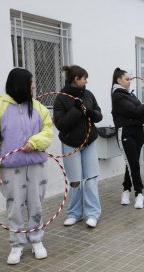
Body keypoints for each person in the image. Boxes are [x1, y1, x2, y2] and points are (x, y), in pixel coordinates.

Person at [0, 68, 53, 264]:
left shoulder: (38, 108)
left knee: (36, 203)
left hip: (35, 165)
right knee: (15, 207)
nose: (33, 86)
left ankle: (36, 240)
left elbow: (48, 131)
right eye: (30, 82)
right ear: (20, 84)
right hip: (10, 167)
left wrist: (34, 142)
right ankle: (16, 245)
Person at [53, 65, 103, 228]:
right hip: (70, 143)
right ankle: (75, 214)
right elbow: (61, 124)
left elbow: (99, 115)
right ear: (76, 79)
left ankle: (92, 213)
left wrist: (90, 113)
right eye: (84, 78)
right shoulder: (61, 98)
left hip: (89, 141)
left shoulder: (88, 94)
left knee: (90, 179)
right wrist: (75, 110)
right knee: (75, 181)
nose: (87, 81)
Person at [111, 68, 144, 209]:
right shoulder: (117, 95)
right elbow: (135, 111)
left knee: (131, 162)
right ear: (119, 80)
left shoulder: (129, 94)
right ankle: (139, 193)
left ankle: (125, 190)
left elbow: (137, 114)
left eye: (130, 79)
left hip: (137, 133)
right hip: (125, 134)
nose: (129, 82)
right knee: (133, 165)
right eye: (127, 79)